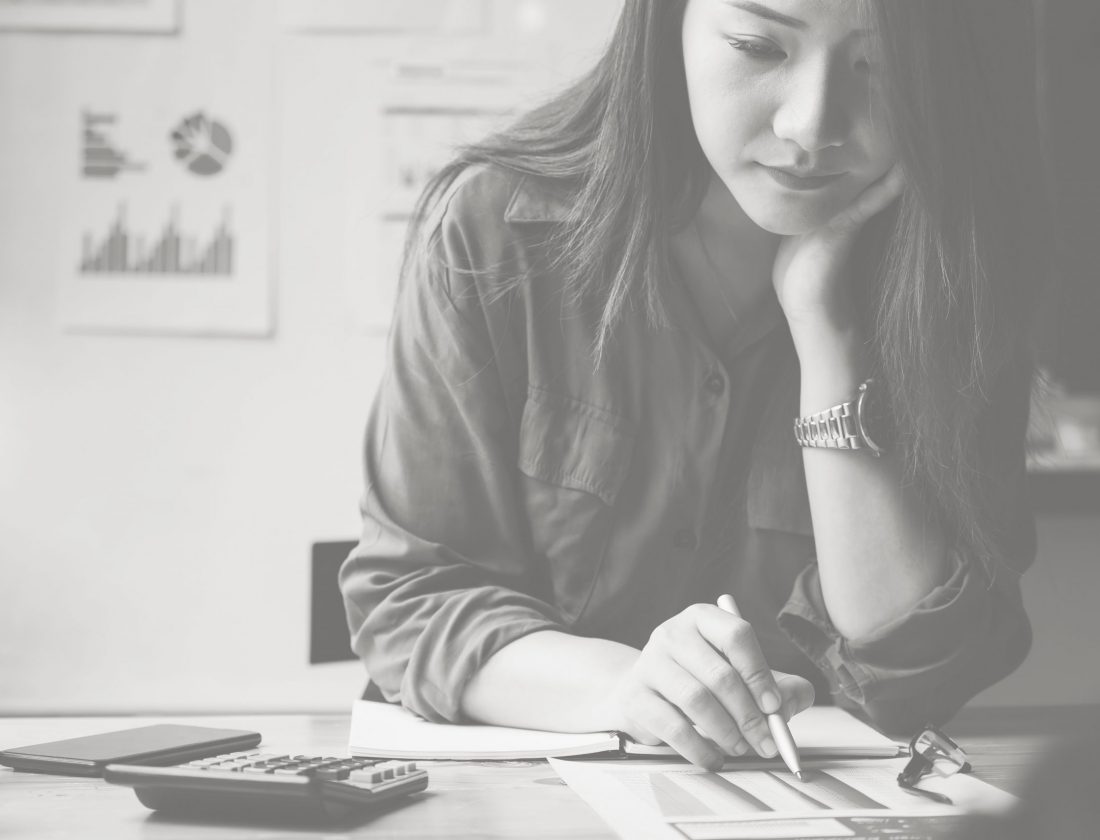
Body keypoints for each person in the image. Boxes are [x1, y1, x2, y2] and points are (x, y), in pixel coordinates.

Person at [341, 0, 1046, 771]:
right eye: (757, 45)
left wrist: (825, 331)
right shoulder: (494, 229)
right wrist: (628, 688)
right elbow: (410, 598)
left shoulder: (959, 271)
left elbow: (919, 675)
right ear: (665, 25)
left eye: (876, 66)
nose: (812, 125)